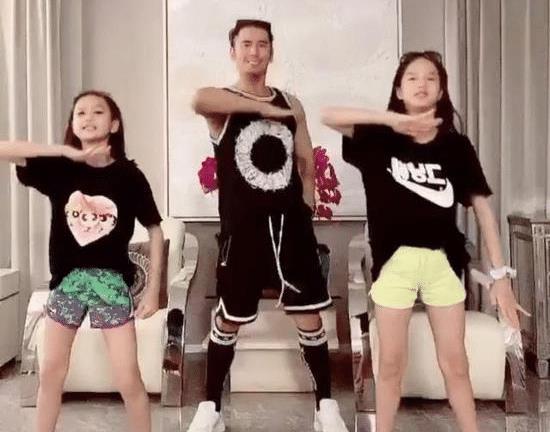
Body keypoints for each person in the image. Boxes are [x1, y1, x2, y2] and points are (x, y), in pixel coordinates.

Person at [321, 51, 526, 432]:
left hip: (441, 262)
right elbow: (328, 115)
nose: (422, 84)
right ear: (399, 89)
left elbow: (483, 211)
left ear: (441, 90)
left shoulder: (456, 146)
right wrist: (392, 119)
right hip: (393, 264)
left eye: (431, 78)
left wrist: (500, 277)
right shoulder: (377, 139)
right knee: (390, 365)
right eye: (412, 77)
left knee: (456, 363)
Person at [187, 19, 348, 432]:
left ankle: (325, 408)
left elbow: (305, 159)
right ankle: (210, 408)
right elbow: (198, 98)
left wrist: (307, 203)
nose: (254, 52)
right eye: (246, 44)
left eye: (262, 45)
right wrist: (260, 108)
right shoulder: (222, 105)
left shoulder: (292, 103)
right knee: (229, 319)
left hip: (291, 228)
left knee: (309, 317)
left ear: (271, 51)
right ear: (233, 51)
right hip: (243, 231)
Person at [2, 90, 164, 432]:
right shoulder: (60, 169)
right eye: (80, 113)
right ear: (73, 124)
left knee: (128, 378)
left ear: (114, 124)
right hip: (67, 284)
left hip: (111, 285)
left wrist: (152, 293)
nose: (88, 117)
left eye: (98, 112)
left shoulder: (129, 175)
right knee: (50, 374)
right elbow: (5, 149)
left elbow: (155, 229)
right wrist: (64, 151)